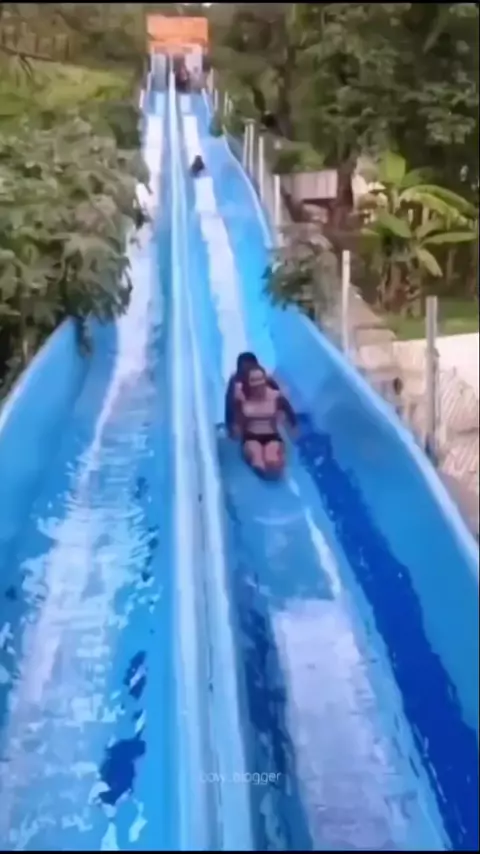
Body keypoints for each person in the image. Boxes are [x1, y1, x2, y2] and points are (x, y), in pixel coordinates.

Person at [233, 364, 296, 476]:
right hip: (250, 437)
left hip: (272, 436)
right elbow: (236, 422)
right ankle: (259, 464)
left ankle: (273, 465)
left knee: (273, 460)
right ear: (248, 382)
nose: (258, 383)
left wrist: (293, 427)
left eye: (260, 379)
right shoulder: (242, 399)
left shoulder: (276, 397)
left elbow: (290, 414)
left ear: (265, 379)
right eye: (253, 380)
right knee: (257, 460)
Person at [225, 352, 279, 437]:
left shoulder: (264, 379)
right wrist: (230, 426)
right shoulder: (235, 382)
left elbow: (280, 399)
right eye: (244, 369)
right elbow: (229, 405)